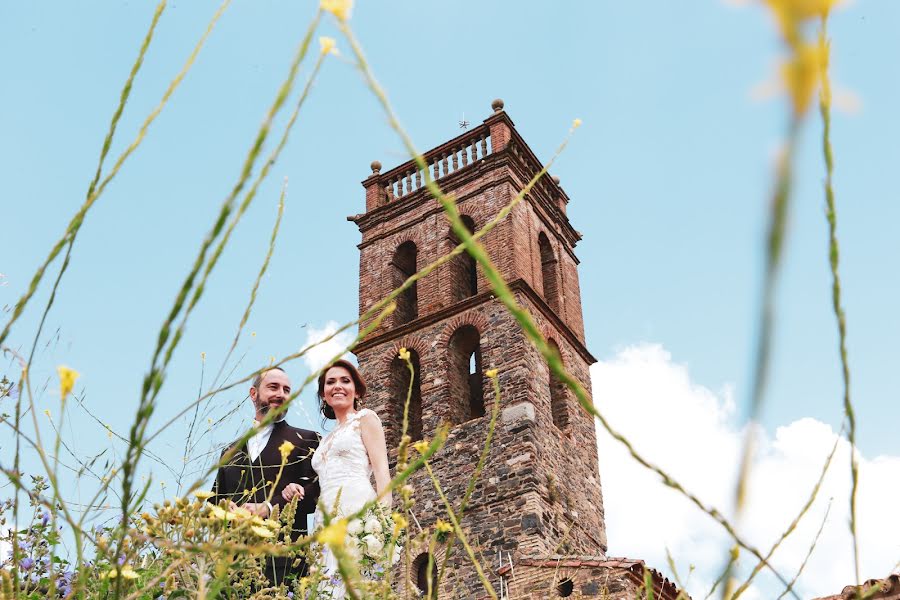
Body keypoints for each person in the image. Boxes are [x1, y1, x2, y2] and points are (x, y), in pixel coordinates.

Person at [211, 366, 320, 586]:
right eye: (273, 387)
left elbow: (319, 491)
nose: (281, 394)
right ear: (253, 394)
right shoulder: (229, 452)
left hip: (285, 564)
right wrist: (223, 510)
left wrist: (270, 507)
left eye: (287, 390)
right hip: (234, 567)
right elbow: (214, 503)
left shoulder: (306, 440)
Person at [312, 359, 392, 595]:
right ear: (324, 395)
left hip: (356, 510)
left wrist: (381, 526)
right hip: (324, 519)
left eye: (345, 381)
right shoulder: (325, 440)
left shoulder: (365, 419)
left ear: (356, 391)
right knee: (327, 588)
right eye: (330, 382)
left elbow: (382, 473)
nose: (337, 386)